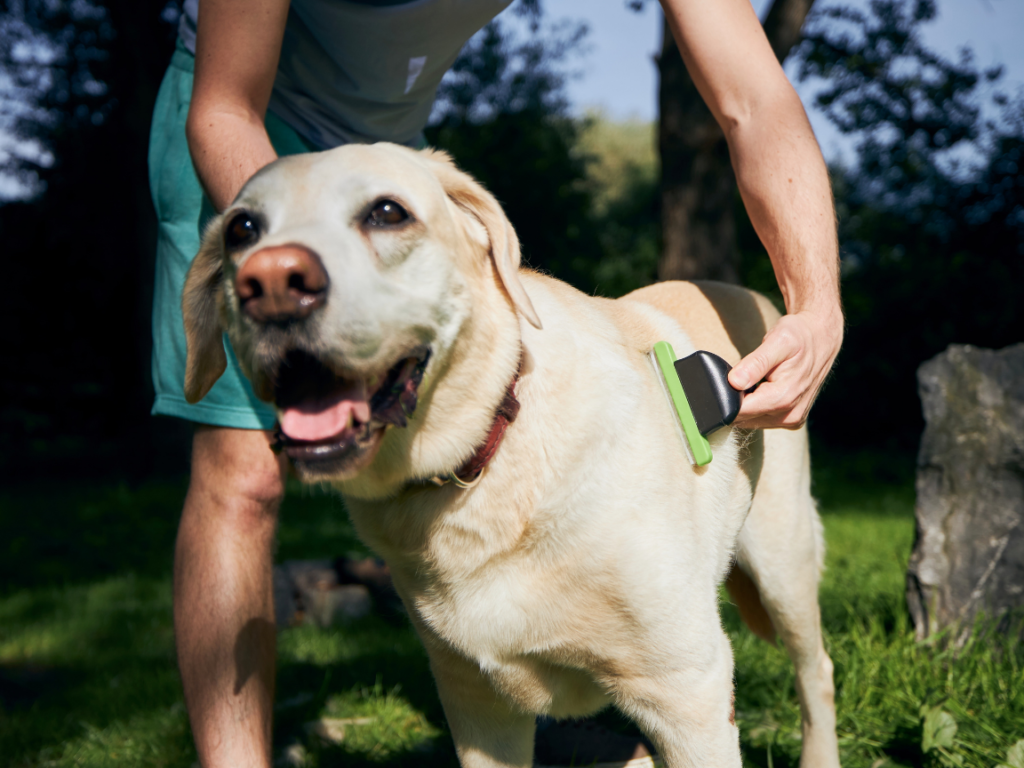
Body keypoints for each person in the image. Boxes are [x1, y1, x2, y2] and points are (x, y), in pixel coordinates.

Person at [147, 0, 843, 765]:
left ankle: (812, 708)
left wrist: (818, 306)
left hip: (391, 152)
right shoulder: (274, 235)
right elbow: (223, 104)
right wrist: (298, 249)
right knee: (244, 468)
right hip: (242, 122)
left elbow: (754, 97)